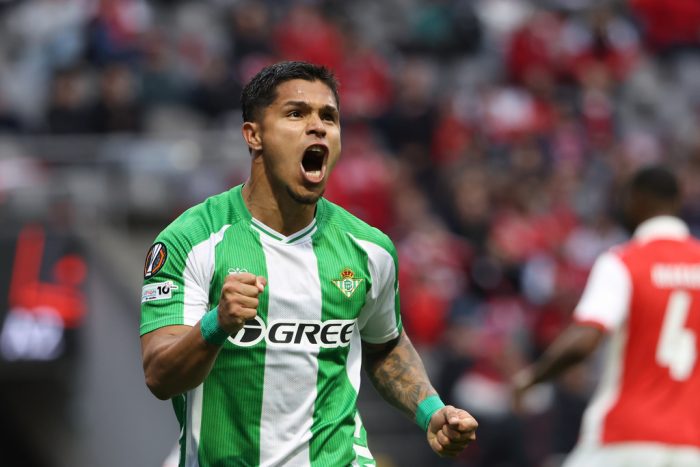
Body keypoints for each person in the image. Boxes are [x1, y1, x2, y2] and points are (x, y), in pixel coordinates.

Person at [140, 61, 478, 466]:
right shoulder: (191, 240)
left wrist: (430, 410)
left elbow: (386, 345)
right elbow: (159, 376)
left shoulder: (370, 249)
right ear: (254, 135)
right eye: (296, 113)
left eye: (329, 117)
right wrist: (217, 324)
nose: (318, 127)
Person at [512, 164, 700, 466]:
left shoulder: (624, 261)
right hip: (692, 444)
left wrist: (532, 378)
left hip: (624, 437)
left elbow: (585, 339)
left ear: (635, 200)